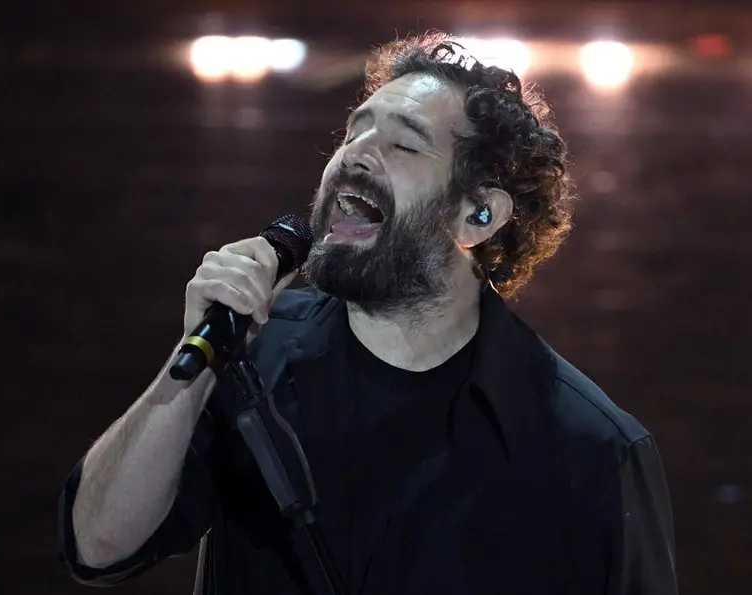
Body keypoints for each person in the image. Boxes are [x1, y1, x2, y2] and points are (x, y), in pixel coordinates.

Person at [58, 32, 678, 595]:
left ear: (477, 216)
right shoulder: (252, 358)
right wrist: (191, 362)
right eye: (355, 132)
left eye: (404, 143)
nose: (354, 155)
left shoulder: (591, 447)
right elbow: (98, 547)